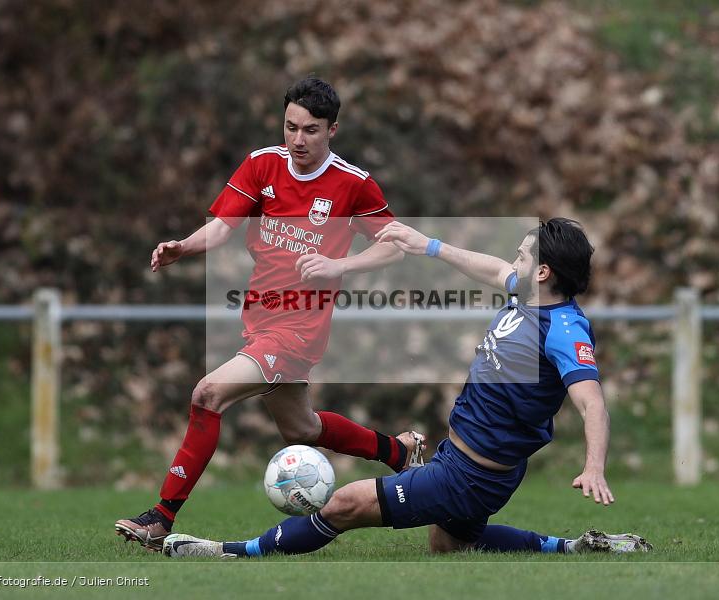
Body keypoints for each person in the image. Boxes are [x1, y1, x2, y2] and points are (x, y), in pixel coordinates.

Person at [160, 218, 652, 559]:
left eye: (522, 256)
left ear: (543, 273)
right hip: (467, 464)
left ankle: (231, 552)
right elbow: (487, 267)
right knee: (451, 547)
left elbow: (592, 403)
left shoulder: (565, 330)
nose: (512, 262)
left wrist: (593, 467)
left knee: (343, 505)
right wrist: (429, 246)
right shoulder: (529, 294)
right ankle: (571, 546)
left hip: (471, 475)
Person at [115, 77, 425, 551]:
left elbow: (394, 247)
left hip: (299, 327)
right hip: (260, 319)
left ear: (332, 130)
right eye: (291, 127)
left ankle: (161, 516)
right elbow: (221, 228)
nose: (298, 140)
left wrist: (338, 265)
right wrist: (185, 246)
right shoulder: (263, 164)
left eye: (311, 130)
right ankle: (397, 451)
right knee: (303, 429)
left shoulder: (353, 184)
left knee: (208, 394)